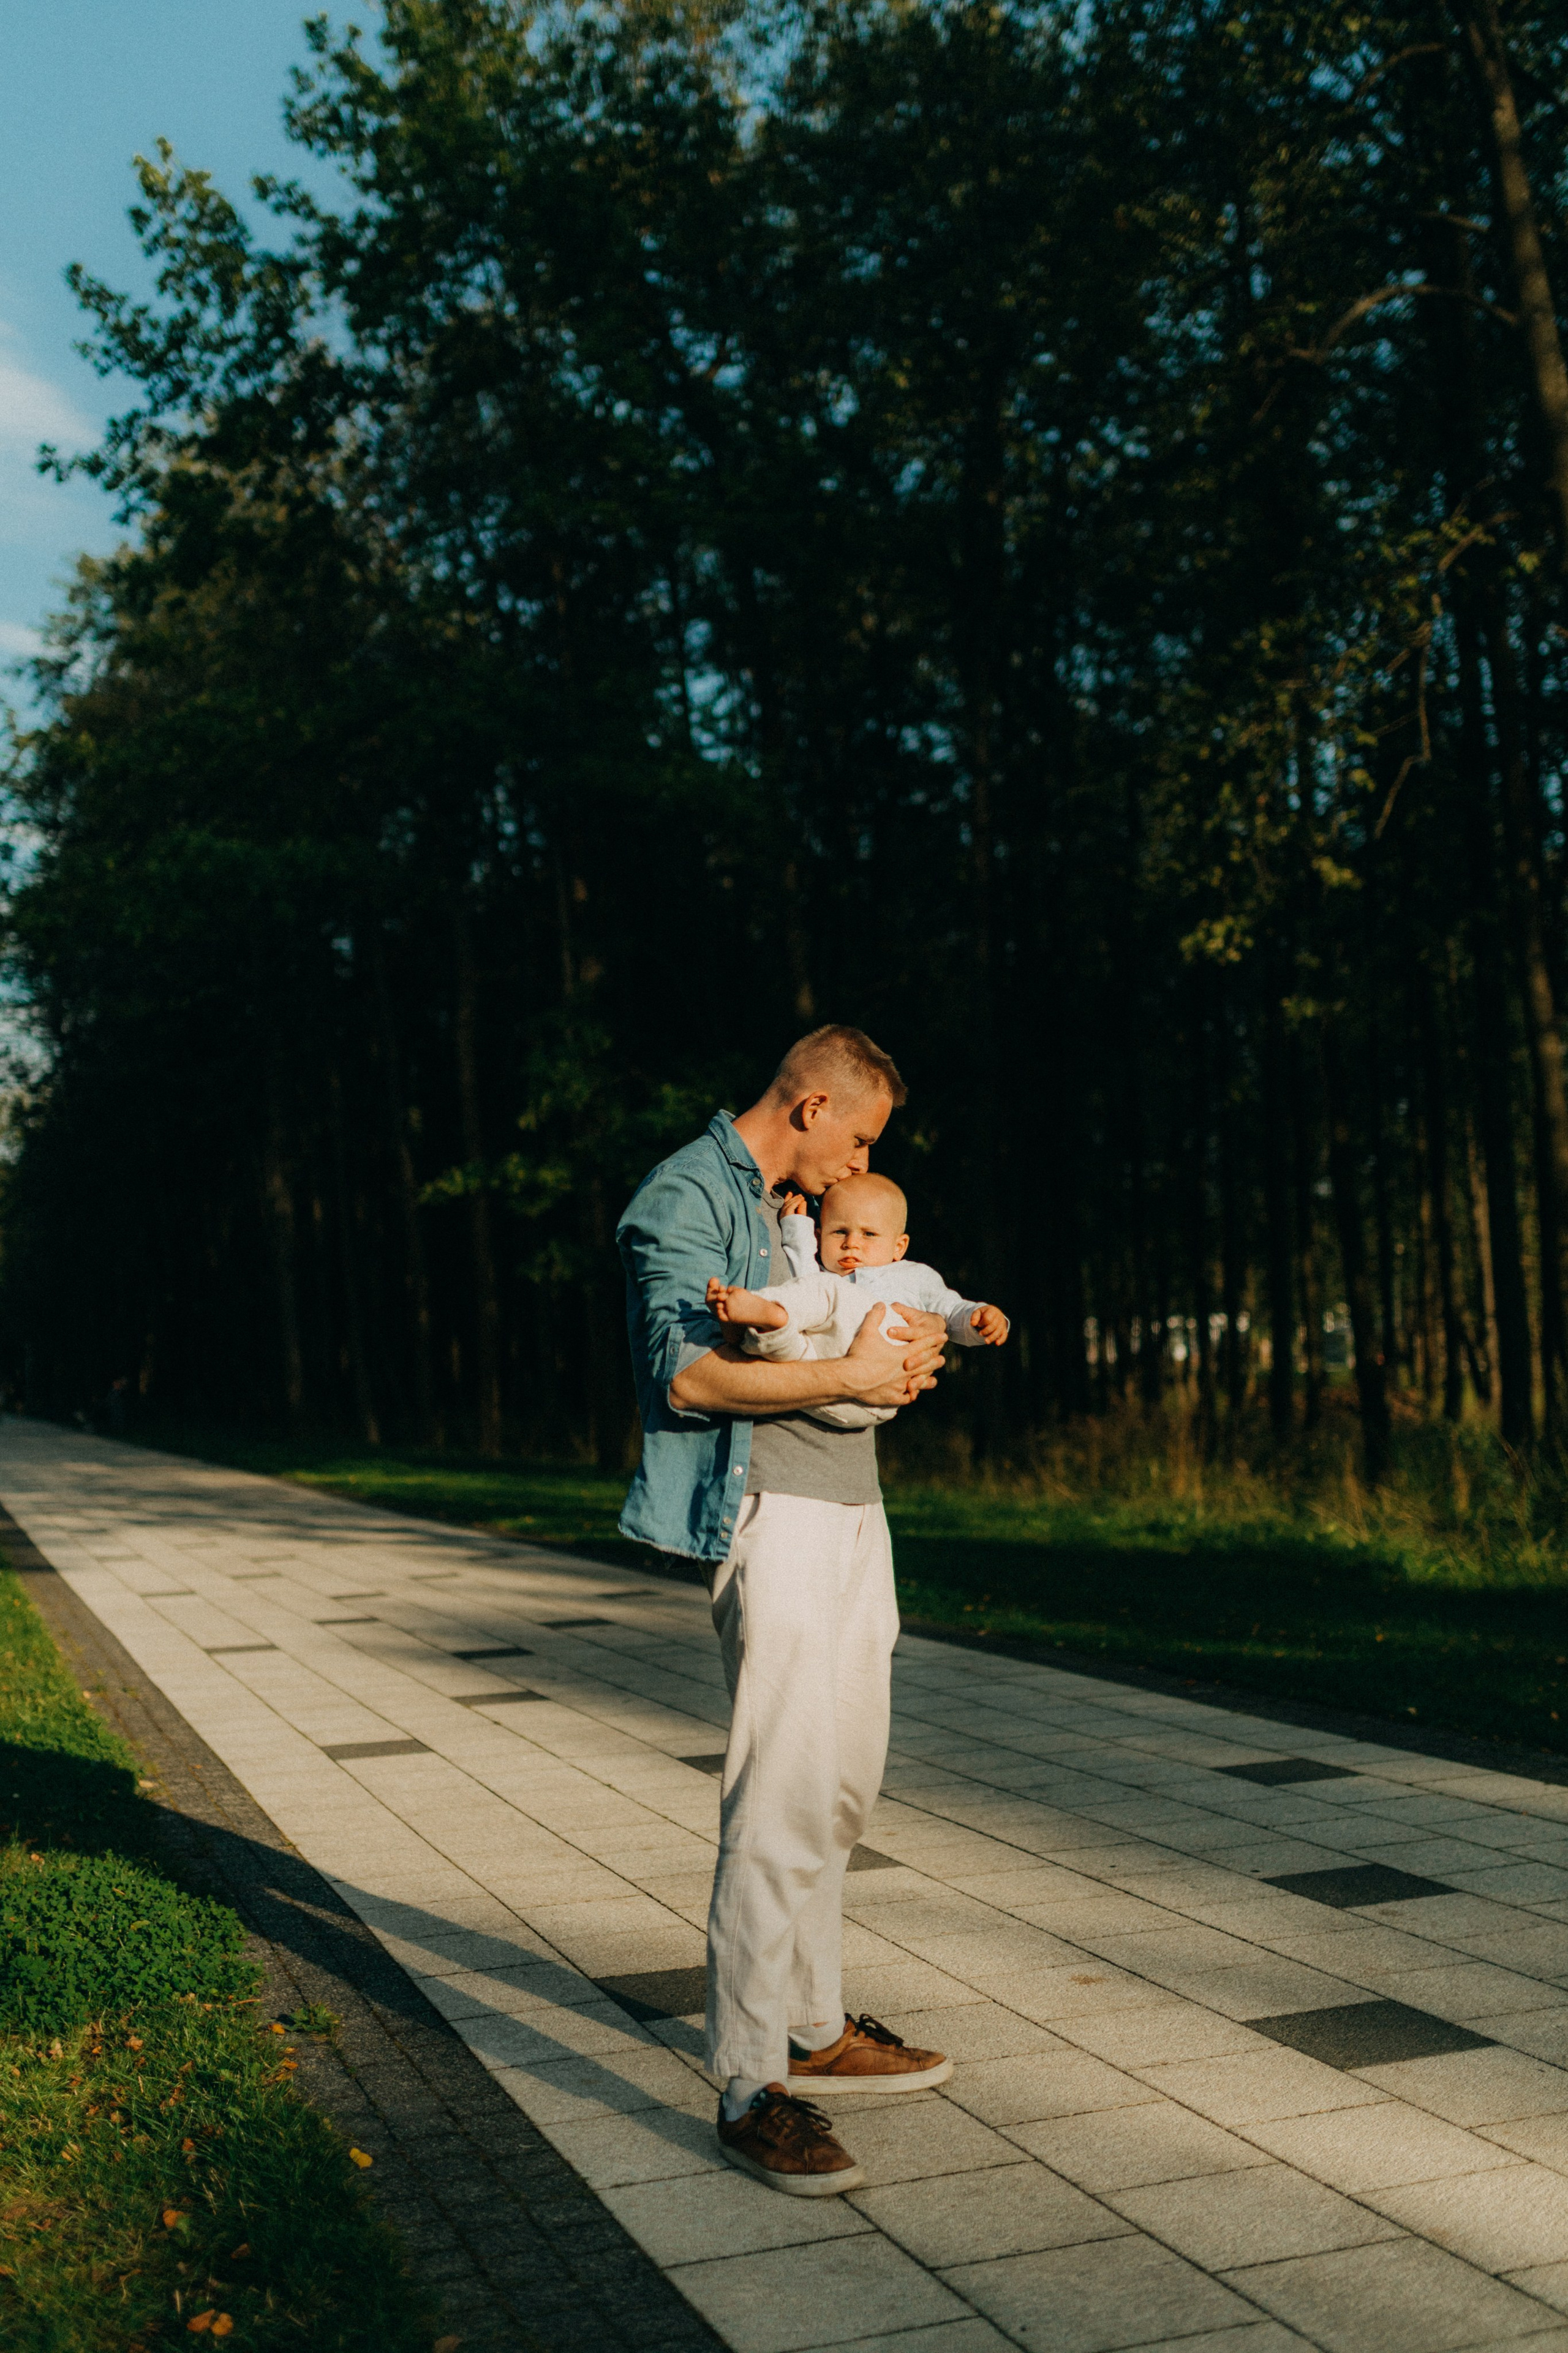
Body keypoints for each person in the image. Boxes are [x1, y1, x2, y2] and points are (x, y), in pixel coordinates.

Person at [617, 1026, 954, 2197]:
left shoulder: (805, 1211)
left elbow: (857, 1325)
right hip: (770, 1519)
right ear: (811, 1105)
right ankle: (753, 2079)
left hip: (855, 1514)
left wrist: (905, 1357)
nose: (858, 1162)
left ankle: (815, 2025)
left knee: (844, 1782)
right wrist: (850, 1376)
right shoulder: (691, 1195)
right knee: (781, 1794)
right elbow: (687, 1374)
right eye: (857, 1136)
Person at [706, 1170, 1009, 1428]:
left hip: (885, 1390)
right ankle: (747, 1334)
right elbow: (804, 1278)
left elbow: (950, 1312)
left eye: (869, 1235)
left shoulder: (913, 1276)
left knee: (822, 1290)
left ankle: (771, 1315)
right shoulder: (826, 1272)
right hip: (831, 1388)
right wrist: (797, 1228)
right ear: (820, 1235)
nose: (852, 1244)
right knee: (795, 1347)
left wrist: (980, 1317)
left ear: (899, 1246)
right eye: (839, 1232)